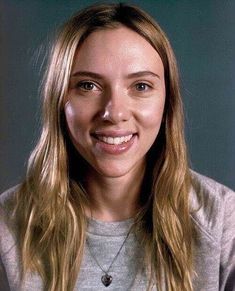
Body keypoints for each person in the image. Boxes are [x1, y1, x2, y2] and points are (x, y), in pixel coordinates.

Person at [0, 3, 234, 291]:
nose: (114, 112)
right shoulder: (6, 229)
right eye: (88, 85)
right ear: (59, 100)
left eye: (141, 86)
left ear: (168, 102)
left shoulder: (223, 222)